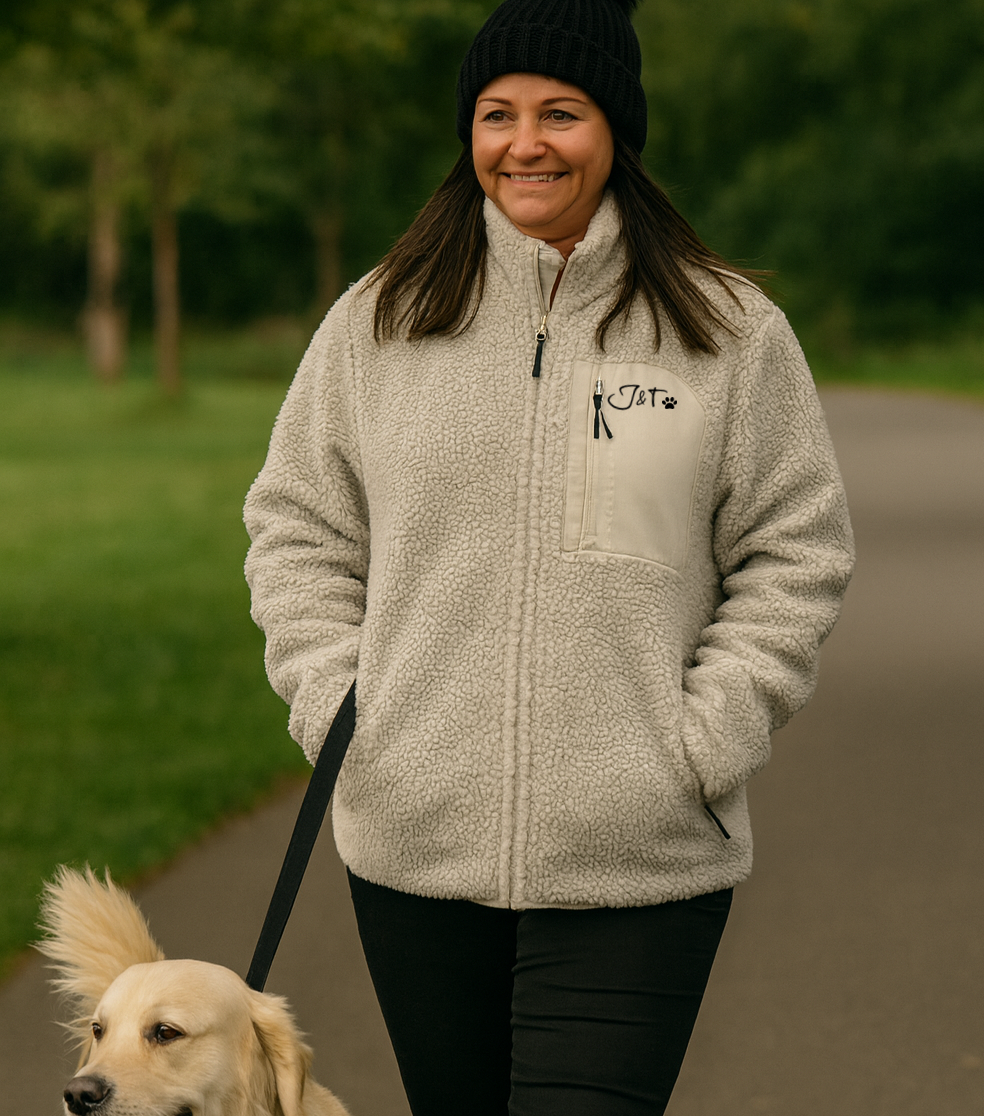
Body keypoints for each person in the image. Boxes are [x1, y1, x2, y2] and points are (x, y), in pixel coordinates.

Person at [243, 0, 855, 1112]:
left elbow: (793, 550)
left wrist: (706, 734)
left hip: (639, 859)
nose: (524, 143)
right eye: (496, 113)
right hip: (412, 848)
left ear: (615, 129)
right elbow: (298, 526)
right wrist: (340, 704)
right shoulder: (378, 323)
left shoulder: (725, 332)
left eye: (559, 112)